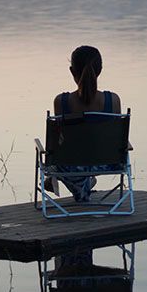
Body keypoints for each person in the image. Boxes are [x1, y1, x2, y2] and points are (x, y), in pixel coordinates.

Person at [48, 45, 121, 202]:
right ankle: (85, 182)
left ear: (72, 71)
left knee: (57, 159)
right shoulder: (113, 100)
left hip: (70, 164)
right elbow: (114, 139)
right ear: (100, 70)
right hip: (108, 163)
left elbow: (60, 142)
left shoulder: (61, 102)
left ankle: (74, 183)